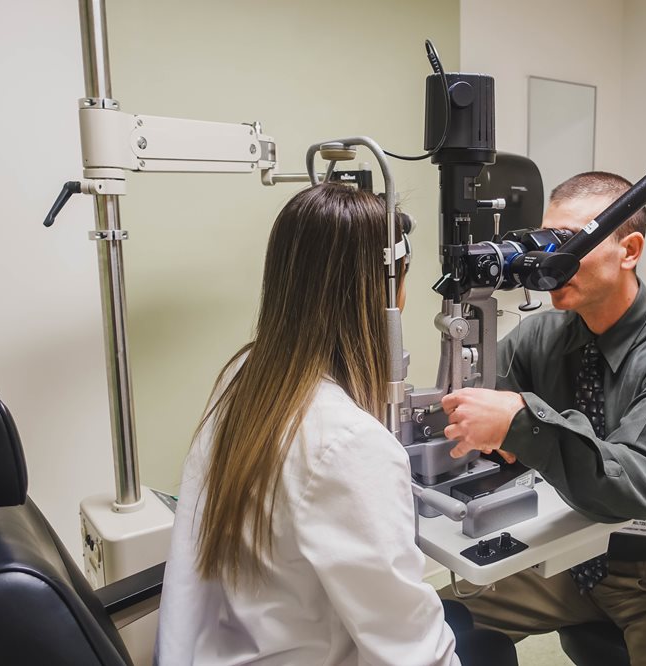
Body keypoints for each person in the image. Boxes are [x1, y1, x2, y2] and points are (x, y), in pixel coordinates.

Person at [156, 183, 517, 666]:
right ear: (388, 295)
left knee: (462, 623)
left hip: (222, 647)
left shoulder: (245, 378)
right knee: (490, 649)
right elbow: (415, 657)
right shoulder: (347, 444)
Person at [439, 171, 646, 664]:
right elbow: (473, 412)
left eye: (569, 243)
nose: (550, 261)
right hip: (567, 561)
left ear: (628, 251)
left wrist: (522, 424)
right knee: (429, 629)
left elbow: (630, 486)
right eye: (547, 241)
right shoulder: (537, 337)